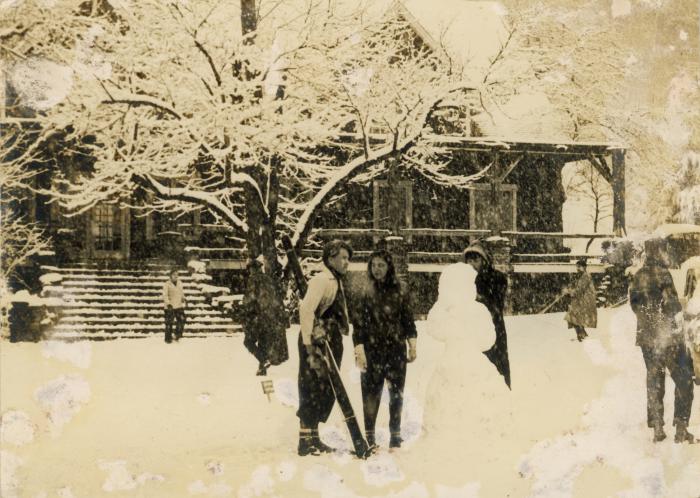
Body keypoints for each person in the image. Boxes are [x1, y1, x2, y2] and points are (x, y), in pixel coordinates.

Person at [417, 263, 511, 485]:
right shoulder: (472, 310)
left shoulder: (461, 310)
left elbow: (436, 330)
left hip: (456, 360)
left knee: (455, 402)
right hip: (468, 362)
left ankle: (463, 447)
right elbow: (488, 340)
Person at [629, 239, 695, 444]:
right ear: (659, 251)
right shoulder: (663, 274)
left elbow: (634, 305)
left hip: (647, 339)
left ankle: (658, 427)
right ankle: (681, 428)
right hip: (667, 338)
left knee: (655, 381)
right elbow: (672, 305)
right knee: (684, 381)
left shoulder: (638, 275)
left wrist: (648, 322)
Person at [352, 249, 418, 450]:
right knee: (371, 393)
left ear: (389, 267)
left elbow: (408, 320)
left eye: (381, 265)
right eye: (373, 265)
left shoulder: (401, 290)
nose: (377, 269)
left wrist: (412, 344)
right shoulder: (365, 291)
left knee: (396, 393)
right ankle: (369, 437)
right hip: (372, 350)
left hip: (396, 349)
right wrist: (359, 350)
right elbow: (359, 324)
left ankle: (395, 435)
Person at [296, 240, 352, 456]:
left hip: (329, 339)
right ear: (330, 258)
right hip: (316, 341)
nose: (346, 262)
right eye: (343, 258)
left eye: (348, 258)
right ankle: (304, 440)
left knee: (324, 388)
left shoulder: (336, 279)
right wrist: (309, 344)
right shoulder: (321, 279)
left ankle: (314, 437)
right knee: (310, 387)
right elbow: (306, 309)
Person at [463, 242, 511, 388]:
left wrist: (479, 298)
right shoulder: (464, 280)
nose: (472, 264)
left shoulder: (497, 278)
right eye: (469, 261)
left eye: (475, 260)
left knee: (497, 367)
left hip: (493, 328)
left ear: (484, 261)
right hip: (471, 331)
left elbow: (496, 305)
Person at [241, 257, 289, 376]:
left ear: (253, 269)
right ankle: (262, 368)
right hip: (273, 318)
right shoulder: (269, 279)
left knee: (248, 341)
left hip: (260, 317)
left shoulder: (253, 280)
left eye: (250, 269)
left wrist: (244, 309)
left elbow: (249, 299)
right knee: (263, 342)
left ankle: (263, 360)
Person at [563, 258, 598, 341]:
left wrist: (569, 292)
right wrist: (569, 290)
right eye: (577, 267)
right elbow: (577, 288)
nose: (577, 268)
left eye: (579, 267)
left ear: (584, 267)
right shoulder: (582, 276)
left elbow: (579, 290)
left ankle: (581, 335)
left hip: (584, 301)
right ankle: (582, 335)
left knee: (573, 317)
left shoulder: (585, 276)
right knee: (575, 318)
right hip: (580, 301)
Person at [163, 268, 186, 343]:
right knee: (169, 323)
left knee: (182, 320)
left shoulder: (180, 283)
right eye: (174, 275)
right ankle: (168, 338)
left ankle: (177, 335)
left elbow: (181, 292)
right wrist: (168, 303)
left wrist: (183, 298)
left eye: (177, 275)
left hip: (179, 306)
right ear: (170, 276)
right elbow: (165, 295)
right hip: (170, 306)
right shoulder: (167, 284)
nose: (176, 276)